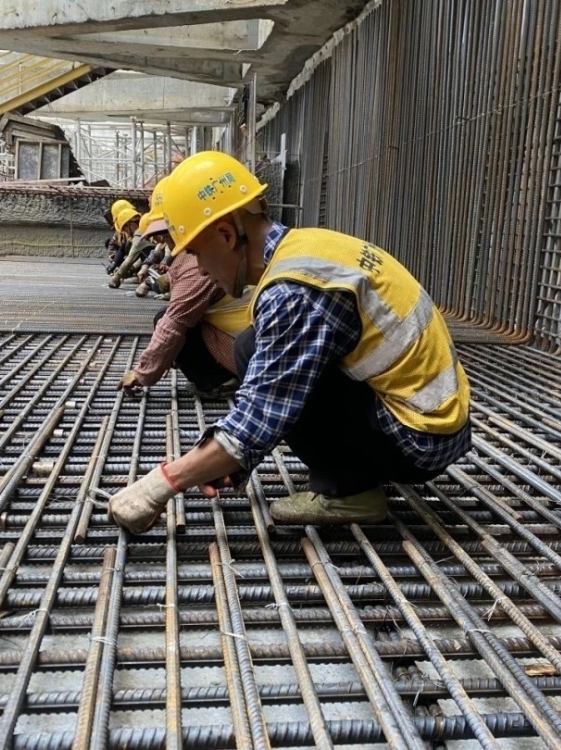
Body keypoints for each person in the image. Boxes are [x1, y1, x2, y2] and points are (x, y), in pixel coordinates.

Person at [108, 151, 471, 533]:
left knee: (260, 363)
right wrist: (235, 459)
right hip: (435, 420)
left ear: (227, 235)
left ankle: (349, 493)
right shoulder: (307, 245)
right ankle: (352, 476)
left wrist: (157, 486)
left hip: (417, 439)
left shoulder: (293, 291)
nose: (198, 268)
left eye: (196, 252)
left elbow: (260, 415)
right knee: (252, 345)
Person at [117, 176, 251, 400]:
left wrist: (142, 374)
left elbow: (173, 323)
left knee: (172, 321)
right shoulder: (236, 245)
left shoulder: (204, 256)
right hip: (250, 346)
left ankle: (219, 380)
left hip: (250, 354)